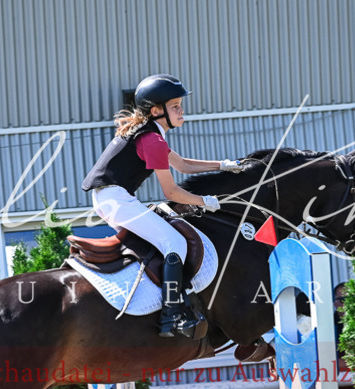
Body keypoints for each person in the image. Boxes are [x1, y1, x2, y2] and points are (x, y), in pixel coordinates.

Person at [82, 74, 241, 338]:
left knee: (162, 239)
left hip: (113, 199)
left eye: (180, 104)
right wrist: (206, 202)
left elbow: (183, 165)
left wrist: (222, 165)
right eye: (175, 106)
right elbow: (171, 191)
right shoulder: (152, 140)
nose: (181, 110)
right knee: (174, 244)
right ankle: (171, 315)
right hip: (116, 200)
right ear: (157, 111)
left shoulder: (151, 134)